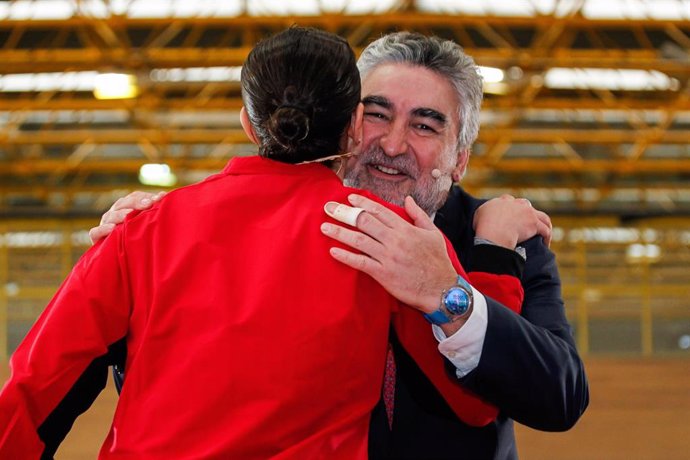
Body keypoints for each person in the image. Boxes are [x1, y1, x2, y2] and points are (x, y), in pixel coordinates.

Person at [48, 32, 588, 459]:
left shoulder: (503, 239)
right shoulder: (221, 227)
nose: (393, 144)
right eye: (377, 114)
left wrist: (452, 293)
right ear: (349, 123)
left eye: (425, 125)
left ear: (460, 156)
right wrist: (140, 252)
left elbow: (559, 394)